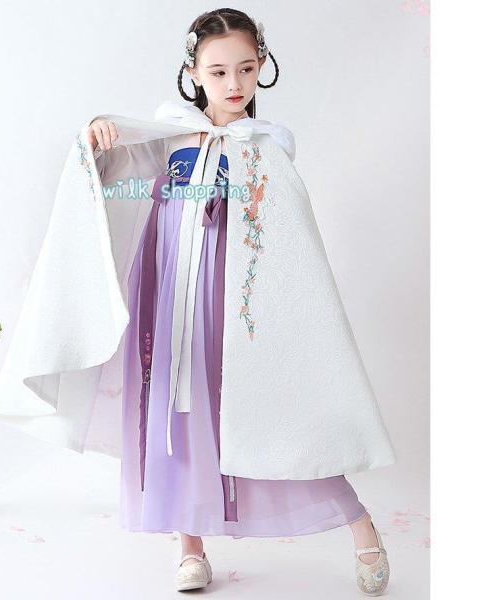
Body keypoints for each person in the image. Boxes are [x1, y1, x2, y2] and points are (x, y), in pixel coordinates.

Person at [85, 8, 391, 595]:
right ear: (193, 72)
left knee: (272, 413)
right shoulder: (169, 133)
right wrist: (100, 134)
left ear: (262, 68)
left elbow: (288, 237)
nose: (233, 84)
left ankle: (359, 524)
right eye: (218, 71)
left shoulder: (266, 144)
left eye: (246, 69)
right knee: (180, 411)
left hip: (241, 307)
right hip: (174, 297)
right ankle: (190, 546)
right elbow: (118, 174)